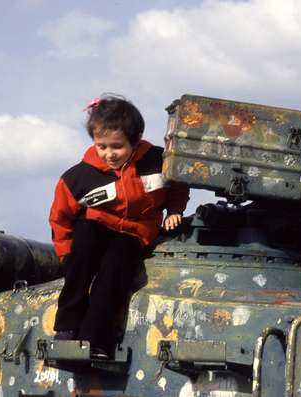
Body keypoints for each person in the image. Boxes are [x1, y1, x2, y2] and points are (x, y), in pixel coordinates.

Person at [49, 94, 189, 358]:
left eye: (117, 146)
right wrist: (66, 254)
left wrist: (174, 211)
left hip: (134, 232)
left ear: (135, 141)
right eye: (101, 146)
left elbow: (179, 185)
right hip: (96, 227)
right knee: (80, 260)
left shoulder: (159, 162)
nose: (109, 154)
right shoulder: (78, 177)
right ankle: (66, 328)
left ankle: (95, 340)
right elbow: (60, 217)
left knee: (114, 273)